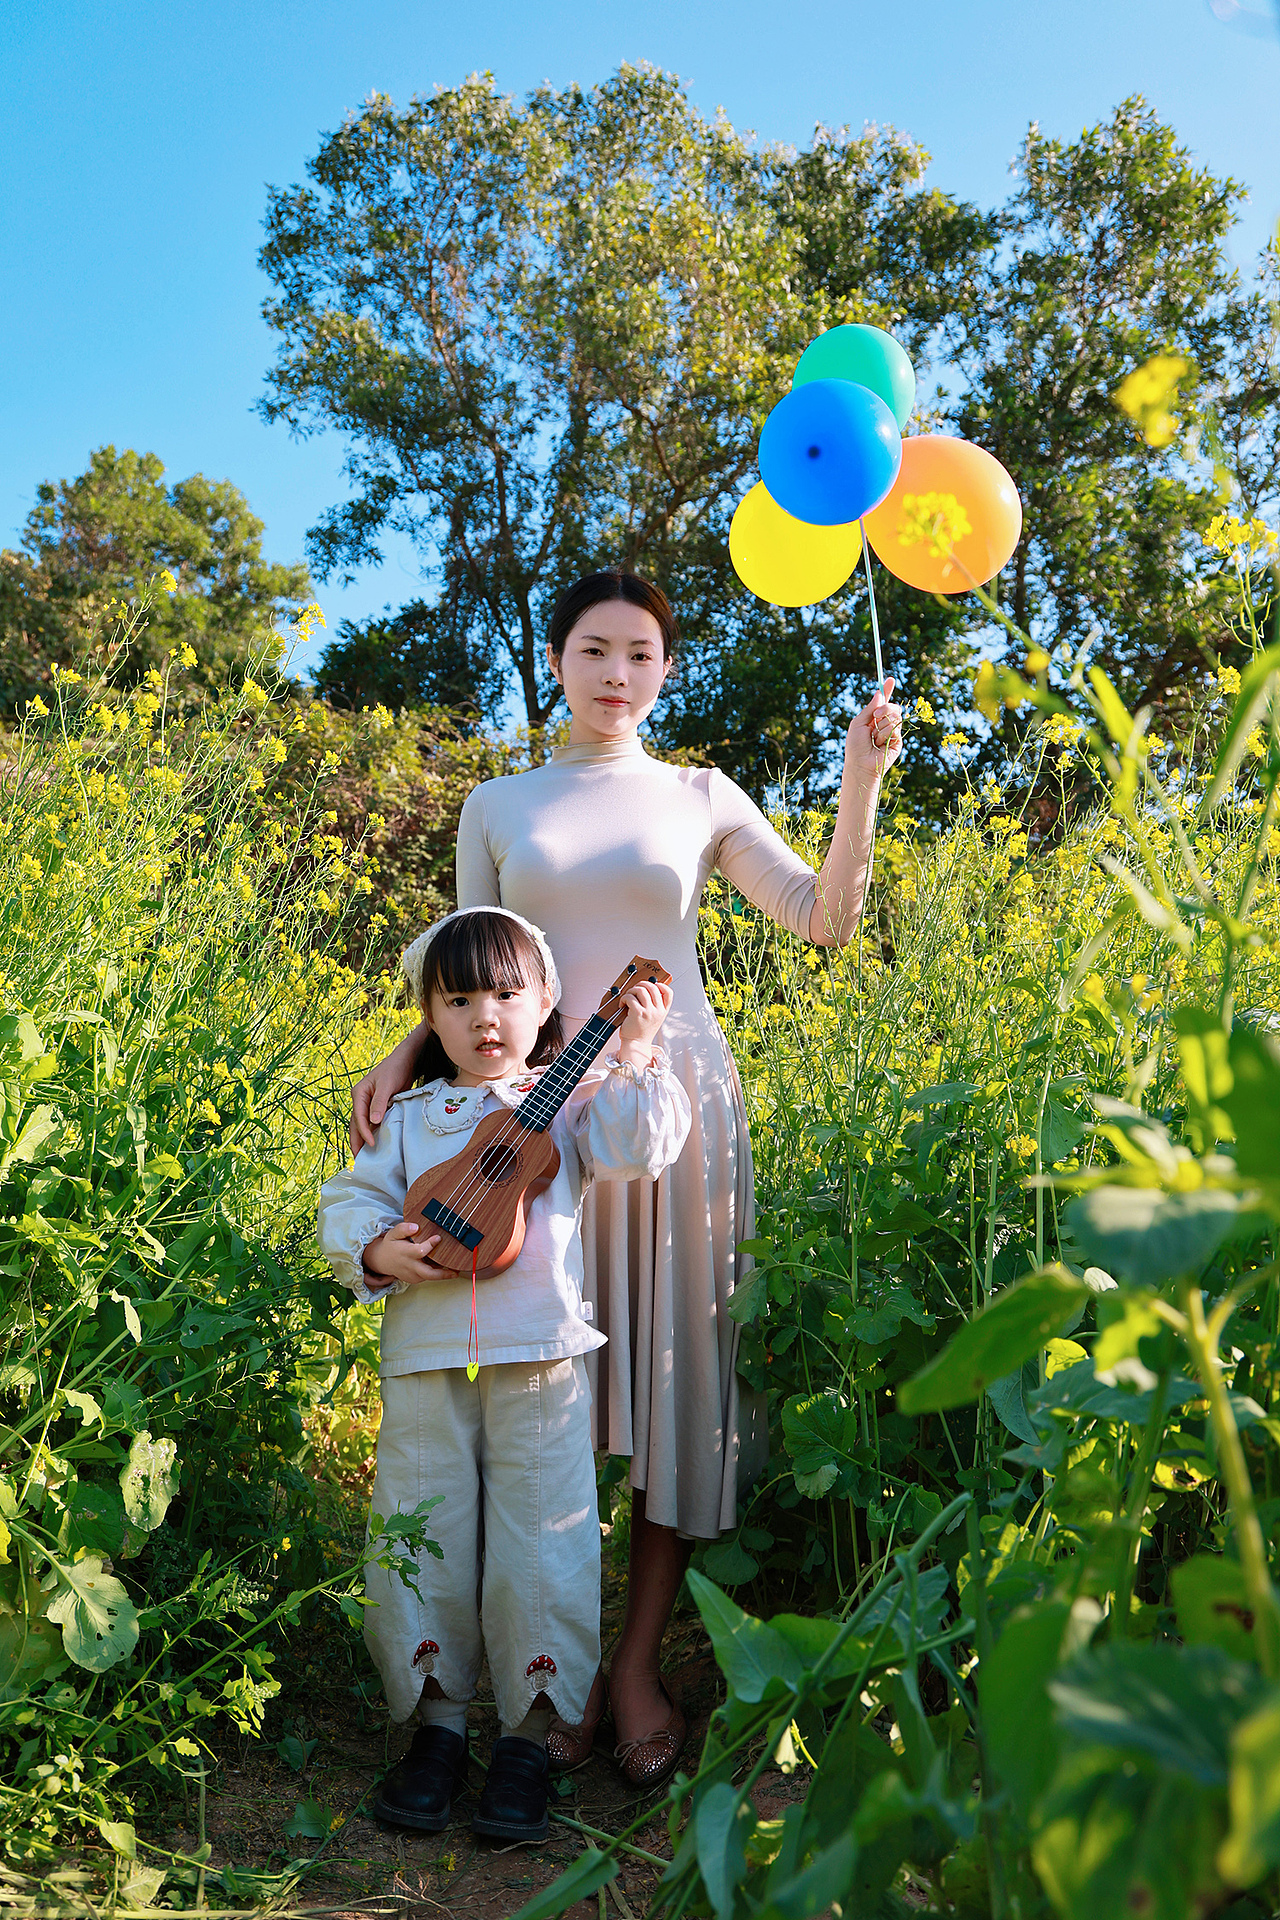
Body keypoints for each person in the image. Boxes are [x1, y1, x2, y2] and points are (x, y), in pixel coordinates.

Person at [350, 571, 903, 1786]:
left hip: (669, 1100)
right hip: (527, 1119)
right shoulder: (499, 799)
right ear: (555, 661)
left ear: (664, 671)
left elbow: (821, 919)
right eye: (593, 649)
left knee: (662, 1387)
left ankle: (633, 1664)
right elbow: (468, 963)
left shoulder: (700, 795)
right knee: (530, 1377)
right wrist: (402, 1046)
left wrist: (858, 779)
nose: (616, 672)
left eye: (640, 654)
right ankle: (513, 1680)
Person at [319, 905, 691, 1842]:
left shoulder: (571, 1106)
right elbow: (350, 1199)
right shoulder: (407, 1118)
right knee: (422, 1531)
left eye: (506, 993)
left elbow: (641, 1147)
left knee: (543, 1544)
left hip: (542, 1361)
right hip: (426, 1364)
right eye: (459, 999)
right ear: (428, 1019)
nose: (486, 1015)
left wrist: (639, 1049)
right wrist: (374, 1251)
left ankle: (530, 1737)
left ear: (546, 1006)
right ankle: (437, 1733)